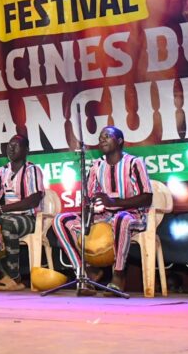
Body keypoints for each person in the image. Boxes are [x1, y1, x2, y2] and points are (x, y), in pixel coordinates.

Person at [52, 126, 153, 295]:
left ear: (120, 141)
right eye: (100, 137)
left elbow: (147, 197)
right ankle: (85, 273)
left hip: (133, 216)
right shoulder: (96, 166)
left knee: (122, 218)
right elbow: (89, 198)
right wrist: (89, 206)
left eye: (107, 136)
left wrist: (115, 202)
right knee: (60, 220)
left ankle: (119, 275)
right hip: (102, 217)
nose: (102, 139)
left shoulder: (135, 163)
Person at [0, 134, 44, 291]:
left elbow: (33, 201)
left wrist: (1, 209)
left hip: (29, 218)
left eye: (16, 145)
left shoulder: (33, 170)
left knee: (8, 223)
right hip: (7, 216)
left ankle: (14, 277)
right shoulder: (3, 171)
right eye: (9, 145)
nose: (11, 148)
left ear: (26, 150)